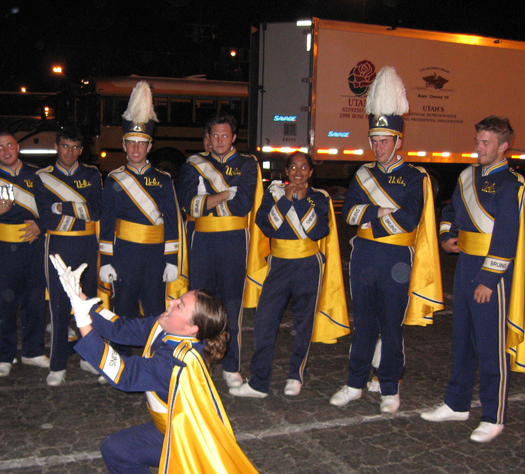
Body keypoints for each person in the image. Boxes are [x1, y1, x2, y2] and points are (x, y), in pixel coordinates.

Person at [48, 254, 365, 474]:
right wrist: (82, 297)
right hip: (172, 432)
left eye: (180, 305)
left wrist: (80, 316)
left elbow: (124, 375)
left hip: (197, 444)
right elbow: (119, 328)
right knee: (118, 449)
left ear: (191, 329)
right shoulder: (164, 325)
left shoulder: (177, 359)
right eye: (178, 299)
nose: (172, 301)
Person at [329, 67, 443, 413]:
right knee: (362, 324)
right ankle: (355, 382)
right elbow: (347, 214)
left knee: (391, 327)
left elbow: (409, 220)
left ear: (398, 141)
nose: (378, 148)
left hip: (396, 261)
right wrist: (379, 214)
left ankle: (390, 387)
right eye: (374, 141)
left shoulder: (415, 176)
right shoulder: (362, 173)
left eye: (385, 141)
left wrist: (370, 214)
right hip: (364, 255)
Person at [421, 116, 525, 442]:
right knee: (461, 341)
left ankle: (493, 415)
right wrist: (447, 237)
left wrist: (489, 278)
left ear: (504, 146)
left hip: (492, 274)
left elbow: (506, 236)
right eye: (478, 141)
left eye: (486, 142)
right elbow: (450, 213)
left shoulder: (511, 184)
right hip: (465, 267)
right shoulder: (466, 176)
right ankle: (456, 404)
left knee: (490, 347)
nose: (479, 148)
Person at [230, 151, 349, 398]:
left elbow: (318, 232)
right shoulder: (273, 194)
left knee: (303, 323)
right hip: (279, 265)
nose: (298, 172)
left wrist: (302, 201)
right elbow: (265, 225)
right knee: (264, 321)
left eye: (304, 168)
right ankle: (259, 382)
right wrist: (285, 200)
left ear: (311, 172)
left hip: (308, 265)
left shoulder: (319, 197)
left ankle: (296, 375)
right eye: (293, 167)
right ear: (286, 171)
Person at [98, 81, 185, 354]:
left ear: (150, 147)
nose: (136, 149)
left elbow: (172, 220)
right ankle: (120, 361)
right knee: (123, 311)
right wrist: (107, 262)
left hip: (155, 257)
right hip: (124, 254)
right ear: (124, 146)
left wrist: (171, 260)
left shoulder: (163, 179)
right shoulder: (114, 179)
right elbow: (107, 223)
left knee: (156, 312)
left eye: (142, 144)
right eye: (131, 143)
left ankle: (155, 359)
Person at [178, 113, 262, 389]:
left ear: (234, 137)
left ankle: (231, 366)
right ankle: (199, 364)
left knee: (231, 306)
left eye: (225, 135)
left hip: (234, 242)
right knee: (199, 306)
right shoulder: (194, 163)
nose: (220, 140)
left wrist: (207, 202)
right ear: (208, 137)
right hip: (201, 242)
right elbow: (189, 205)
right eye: (215, 135)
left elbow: (244, 205)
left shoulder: (247, 164)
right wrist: (226, 194)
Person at [0, 132, 51, 378]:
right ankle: (2, 355)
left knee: (35, 301)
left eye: (9, 145)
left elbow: (51, 208)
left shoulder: (38, 176)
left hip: (34, 247)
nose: (6, 151)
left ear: (17, 147)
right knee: (2, 305)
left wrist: (42, 225)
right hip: (3, 251)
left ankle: (32, 350)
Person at [38, 127, 103, 385]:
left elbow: (96, 211)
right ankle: (57, 363)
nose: (70, 152)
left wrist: (63, 207)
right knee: (59, 306)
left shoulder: (91, 173)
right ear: (56, 146)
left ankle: (90, 358)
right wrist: (79, 212)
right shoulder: (43, 176)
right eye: (65, 146)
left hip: (87, 244)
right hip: (59, 246)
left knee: (89, 305)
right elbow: (46, 216)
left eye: (76, 147)